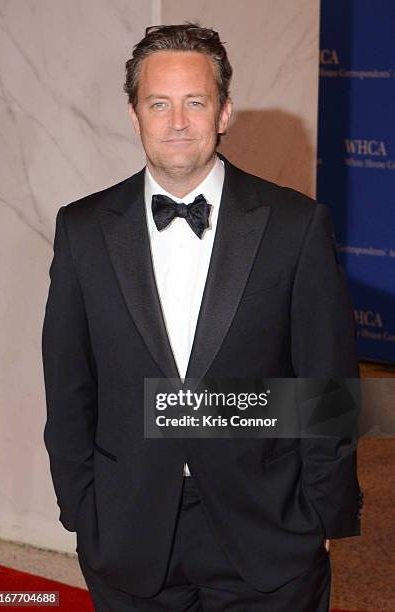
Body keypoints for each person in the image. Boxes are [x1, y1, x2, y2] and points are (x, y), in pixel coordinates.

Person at [42, 23, 363, 611]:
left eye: (196, 102)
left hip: (268, 531)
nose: (177, 122)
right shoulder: (82, 230)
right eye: (158, 104)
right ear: (134, 115)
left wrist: (320, 516)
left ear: (224, 112)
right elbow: (68, 389)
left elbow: (328, 390)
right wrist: (83, 512)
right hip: (127, 532)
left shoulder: (296, 226)